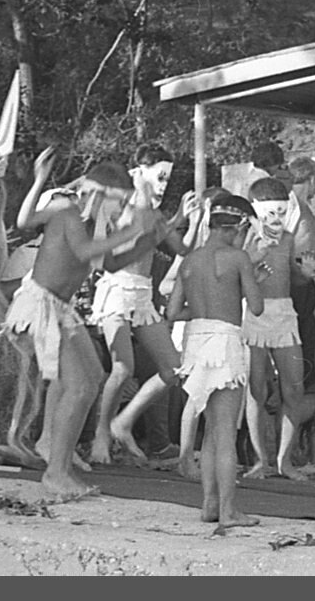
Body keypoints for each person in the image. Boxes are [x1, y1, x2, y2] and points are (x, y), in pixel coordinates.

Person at [0, 148, 156, 498]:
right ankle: (55, 470)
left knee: (93, 377)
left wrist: (148, 239)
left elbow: (108, 264)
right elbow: (29, 223)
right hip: (39, 304)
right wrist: (40, 180)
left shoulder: (95, 227)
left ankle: (58, 458)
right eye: (120, 203)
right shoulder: (69, 214)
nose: (122, 211)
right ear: (100, 196)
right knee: (80, 386)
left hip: (62, 309)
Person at [165, 191, 262, 527]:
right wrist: (252, 282)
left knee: (210, 429)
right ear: (238, 228)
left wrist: (204, 307)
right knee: (225, 432)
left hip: (195, 340)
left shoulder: (190, 260)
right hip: (224, 340)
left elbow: (172, 312)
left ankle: (209, 503)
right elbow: (257, 306)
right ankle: (228, 510)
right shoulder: (238, 258)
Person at [88, 144, 187, 466]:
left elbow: (181, 248)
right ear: (140, 172)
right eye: (160, 176)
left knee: (173, 369)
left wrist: (189, 218)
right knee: (122, 368)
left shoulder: (153, 212)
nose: (164, 184)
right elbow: (124, 249)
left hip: (142, 295)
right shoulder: (121, 205)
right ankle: (100, 435)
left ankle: (124, 422)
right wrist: (146, 197)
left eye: (168, 178)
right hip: (118, 290)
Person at [240, 176, 315, 480]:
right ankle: (261, 460)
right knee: (256, 390)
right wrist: (251, 262)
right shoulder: (245, 238)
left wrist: (305, 274)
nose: (276, 219)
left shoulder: (287, 239)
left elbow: (291, 276)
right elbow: (234, 277)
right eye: (270, 213)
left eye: (282, 213)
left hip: (284, 313)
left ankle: (284, 461)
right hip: (254, 313)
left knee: (294, 388)